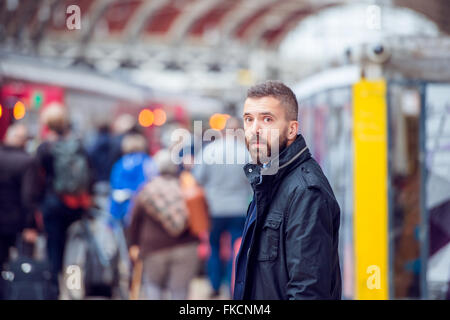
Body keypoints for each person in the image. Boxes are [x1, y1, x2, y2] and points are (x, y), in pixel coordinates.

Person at [233, 80, 341, 300]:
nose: (254, 130)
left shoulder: (306, 192)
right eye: (248, 119)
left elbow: (308, 291)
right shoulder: (268, 180)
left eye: (267, 119)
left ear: (291, 129)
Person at [193, 117, 252, 298]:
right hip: (239, 208)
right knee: (237, 249)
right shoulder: (245, 153)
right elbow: (252, 181)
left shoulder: (210, 150)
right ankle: (233, 285)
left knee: (214, 247)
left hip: (215, 209)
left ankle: (215, 285)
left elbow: (197, 178)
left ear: (222, 131)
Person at [128, 149, 199, 300]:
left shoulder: (146, 190)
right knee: (180, 290)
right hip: (185, 246)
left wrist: (133, 244)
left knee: (153, 287)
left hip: (153, 249)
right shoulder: (186, 187)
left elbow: (134, 222)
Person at [36, 105, 92, 293]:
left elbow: (38, 179)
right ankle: (74, 289)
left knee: (53, 250)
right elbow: (89, 174)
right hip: (76, 204)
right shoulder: (78, 145)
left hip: (53, 202)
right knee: (75, 250)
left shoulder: (45, 148)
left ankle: (53, 291)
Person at [0, 123, 39, 299]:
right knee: (15, 264)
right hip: (13, 221)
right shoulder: (27, 161)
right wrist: (30, 225)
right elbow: (28, 196)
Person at [109, 133, 158, 226]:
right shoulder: (148, 162)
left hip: (123, 207)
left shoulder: (120, 163)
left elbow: (115, 185)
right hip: (144, 206)